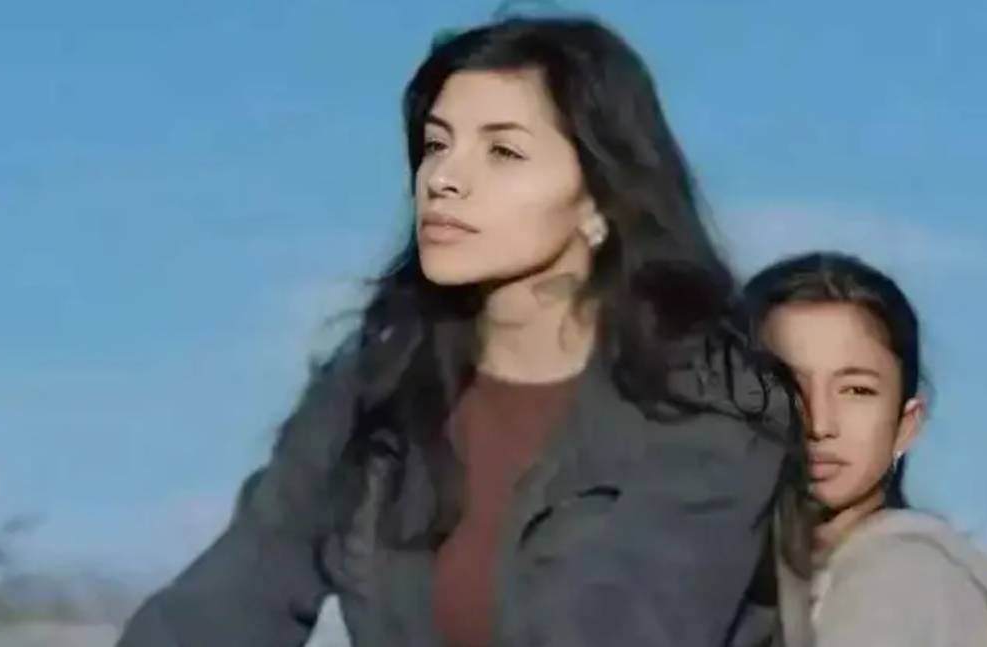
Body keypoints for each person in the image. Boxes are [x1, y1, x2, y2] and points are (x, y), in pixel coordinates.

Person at [118, 15, 803, 647]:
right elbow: (227, 601)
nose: (444, 178)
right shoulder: (373, 390)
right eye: (436, 144)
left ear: (599, 197)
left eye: (502, 151)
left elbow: (627, 624)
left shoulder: (710, 400)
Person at [744, 251, 987, 647]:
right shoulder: (764, 577)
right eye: (785, 387)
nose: (819, 424)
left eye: (857, 391)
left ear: (906, 426)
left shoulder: (899, 574)